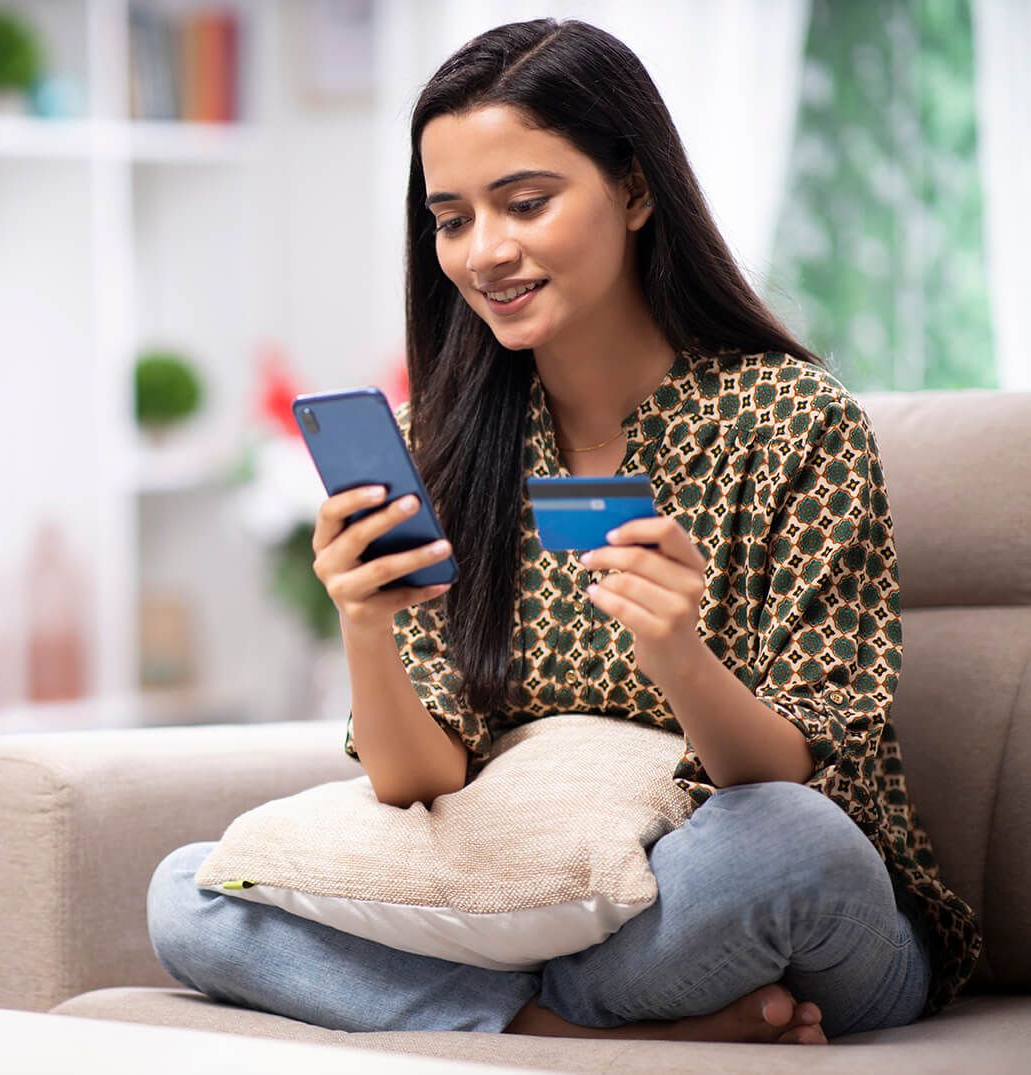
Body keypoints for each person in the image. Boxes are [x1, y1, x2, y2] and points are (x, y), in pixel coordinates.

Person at [145, 18, 982, 1045]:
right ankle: (569, 1031)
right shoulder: (439, 445)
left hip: (770, 897)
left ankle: (517, 1015)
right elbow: (421, 782)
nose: (484, 250)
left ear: (631, 191)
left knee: (786, 844)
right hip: (526, 902)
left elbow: (801, 779)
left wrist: (675, 652)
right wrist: (360, 624)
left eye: (525, 203)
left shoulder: (791, 420)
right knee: (189, 892)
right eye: (450, 219)